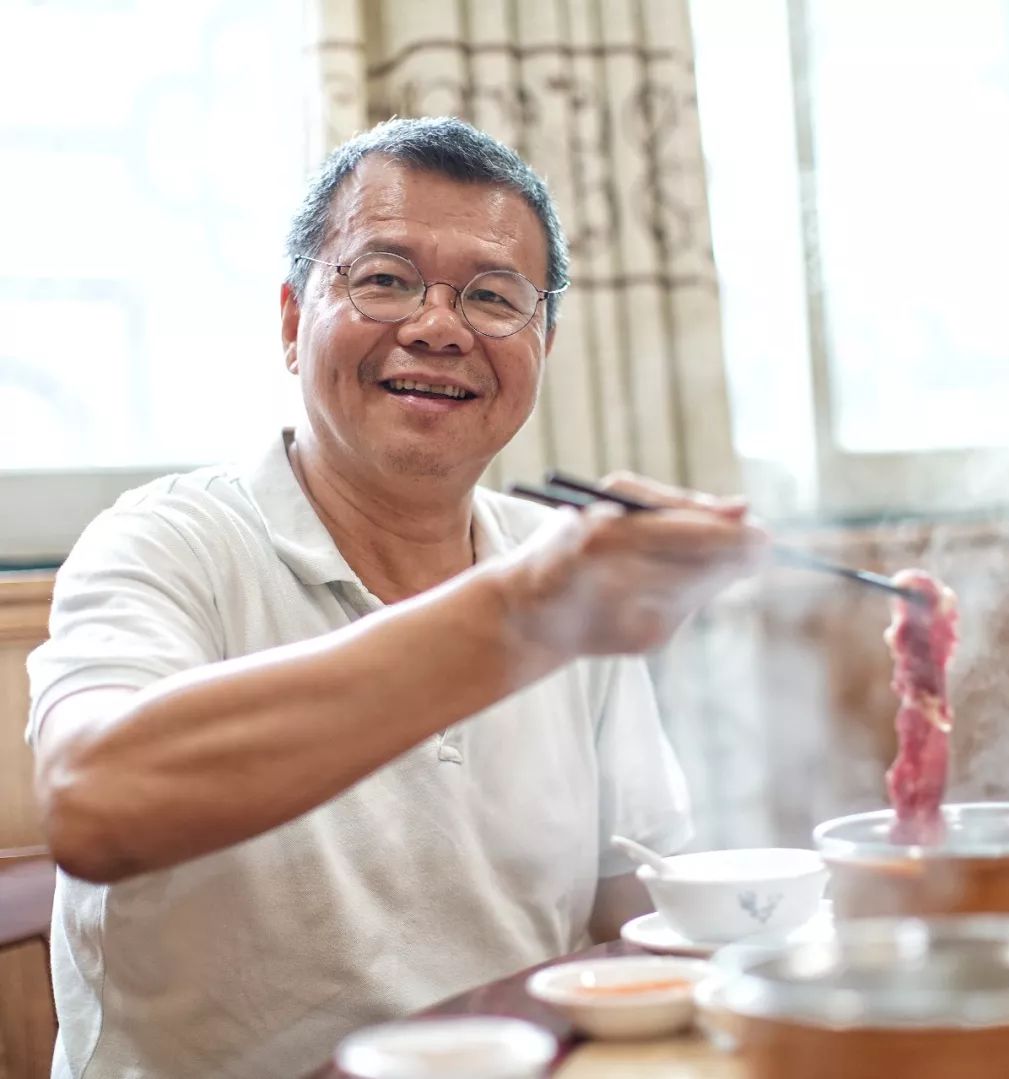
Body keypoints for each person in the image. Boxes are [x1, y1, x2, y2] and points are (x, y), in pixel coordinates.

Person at [27, 116, 767, 1079]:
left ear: (541, 342)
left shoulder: (559, 564)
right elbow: (95, 805)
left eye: (495, 297)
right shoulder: (170, 541)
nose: (438, 326)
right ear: (294, 322)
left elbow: (631, 912)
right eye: (383, 279)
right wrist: (521, 613)